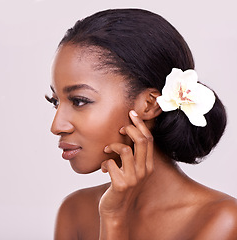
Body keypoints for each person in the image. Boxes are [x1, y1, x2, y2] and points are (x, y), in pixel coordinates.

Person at [46, 8, 237, 239]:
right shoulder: (75, 211)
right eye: (56, 101)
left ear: (149, 105)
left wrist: (115, 219)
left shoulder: (221, 220)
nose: (57, 126)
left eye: (79, 101)